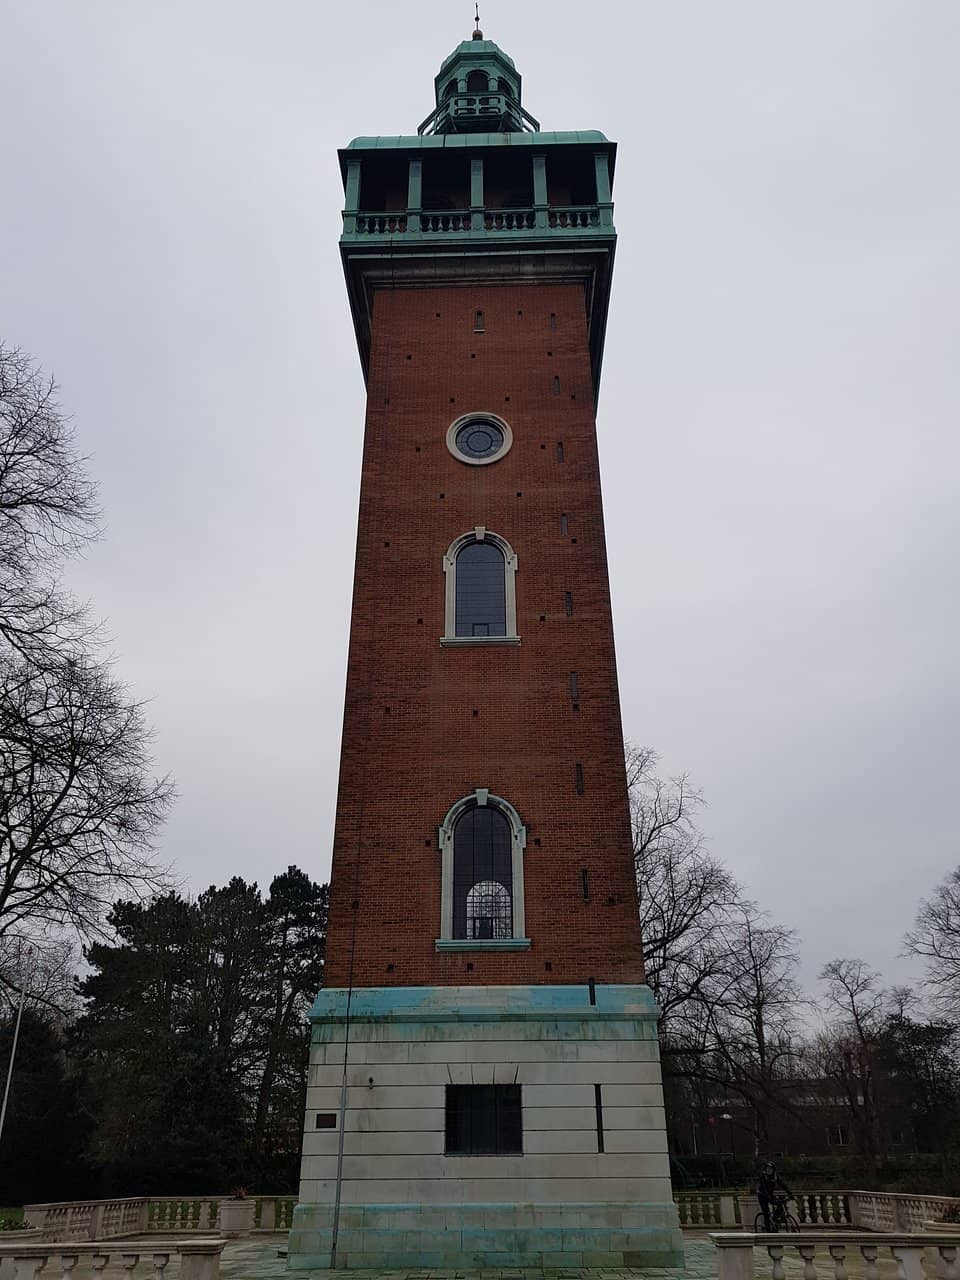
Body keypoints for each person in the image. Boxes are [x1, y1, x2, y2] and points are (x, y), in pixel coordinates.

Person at [757, 1160, 792, 1231]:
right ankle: (768, 1228)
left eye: (770, 1169)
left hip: (770, 1194)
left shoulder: (775, 1176)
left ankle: (774, 1219)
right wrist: (768, 1196)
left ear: (773, 1170)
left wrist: (789, 1193)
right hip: (762, 1196)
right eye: (767, 1168)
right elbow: (763, 1187)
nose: (769, 1170)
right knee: (766, 1212)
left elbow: (782, 1184)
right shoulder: (763, 1176)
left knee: (780, 1205)